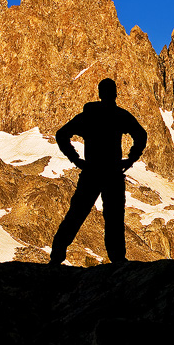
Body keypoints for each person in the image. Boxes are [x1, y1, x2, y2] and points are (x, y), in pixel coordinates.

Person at [49, 78, 147, 265]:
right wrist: (131, 158)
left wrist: (76, 159)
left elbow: (62, 134)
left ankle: (57, 256)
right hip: (112, 173)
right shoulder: (119, 115)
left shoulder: (88, 116)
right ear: (115, 93)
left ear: (100, 93)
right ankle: (118, 259)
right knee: (114, 218)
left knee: (77, 214)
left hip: (92, 172)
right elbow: (141, 135)